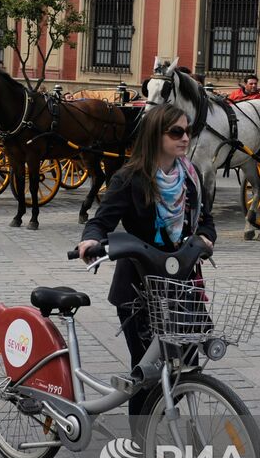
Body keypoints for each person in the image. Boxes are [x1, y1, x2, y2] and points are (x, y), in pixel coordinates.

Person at [76, 104, 215, 420]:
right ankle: (140, 446)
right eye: (176, 132)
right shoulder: (129, 178)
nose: (184, 138)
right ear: (156, 135)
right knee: (146, 372)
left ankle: (156, 421)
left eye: (187, 131)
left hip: (182, 283)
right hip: (138, 287)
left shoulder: (190, 177)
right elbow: (103, 220)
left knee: (188, 359)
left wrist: (206, 237)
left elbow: (207, 220)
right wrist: (91, 240)